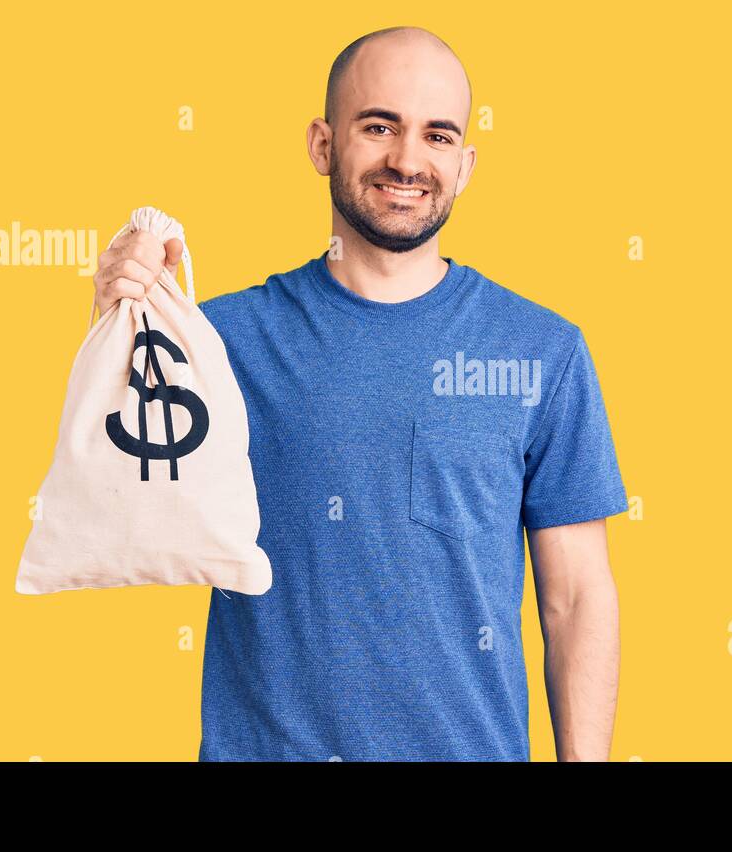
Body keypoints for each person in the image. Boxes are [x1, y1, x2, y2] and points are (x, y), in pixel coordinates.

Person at [91, 26, 627, 761]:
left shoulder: (543, 351)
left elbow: (575, 600)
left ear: (465, 165)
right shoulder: (221, 341)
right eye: (379, 126)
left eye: (437, 136)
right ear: (321, 144)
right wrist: (121, 317)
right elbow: (115, 487)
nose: (407, 160)